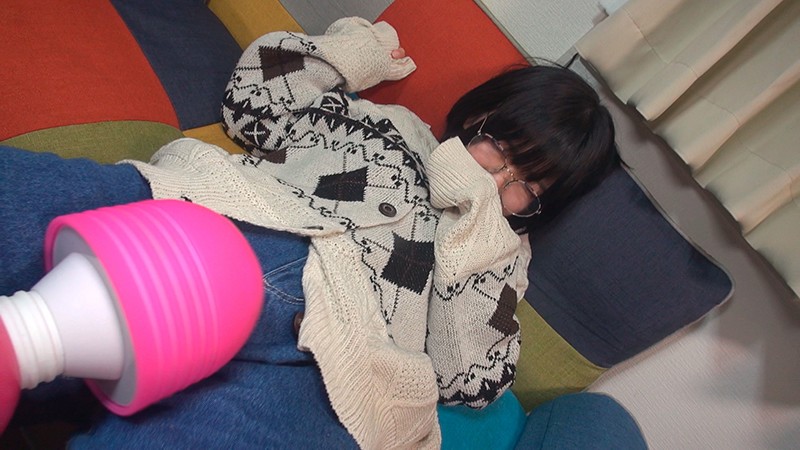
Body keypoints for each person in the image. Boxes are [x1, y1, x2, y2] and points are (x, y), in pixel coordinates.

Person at [0, 17, 618, 449]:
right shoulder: (389, 126)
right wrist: (350, 56)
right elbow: (253, 104)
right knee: (36, 201)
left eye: (526, 186)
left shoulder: (500, 257)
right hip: (231, 220)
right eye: (501, 150)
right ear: (480, 117)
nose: (498, 180)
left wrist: (477, 229)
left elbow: (469, 382)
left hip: (334, 368)